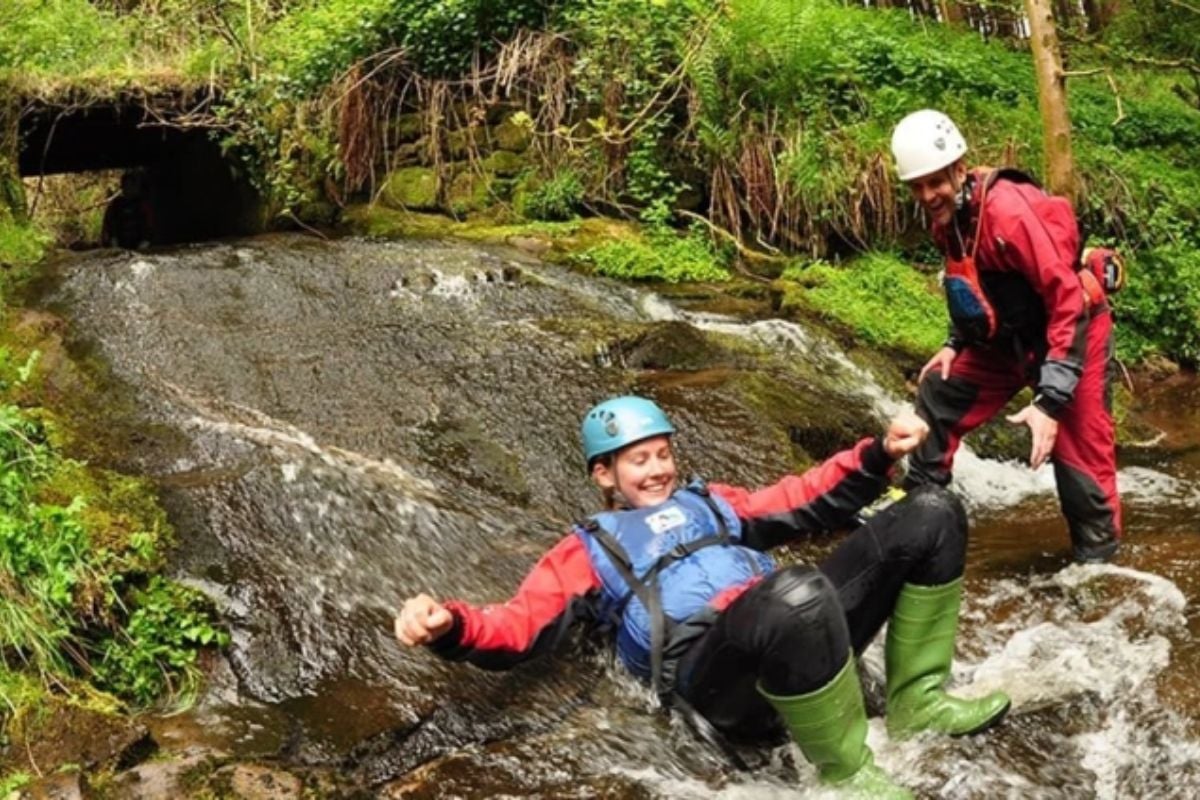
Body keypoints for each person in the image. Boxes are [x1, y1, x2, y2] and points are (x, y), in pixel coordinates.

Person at [396, 395, 1010, 797]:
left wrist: (876, 454)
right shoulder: (587, 549)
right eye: (638, 460)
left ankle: (918, 701)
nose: (657, 469)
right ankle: (847, 776)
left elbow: (801, 498)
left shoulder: (711, 502)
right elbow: (519, 625)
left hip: (793, 631)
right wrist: (449, 624)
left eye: (663, 454)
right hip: (716, 681)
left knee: (933, 511)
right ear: (604, 475)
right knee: (796, 592)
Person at [890, 109, 1121, 564]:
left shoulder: (1008, 213)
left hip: (1072, 332)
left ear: (959, 169)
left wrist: (1050, 403)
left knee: (1081, 464)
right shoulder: (948, 220)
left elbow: (1066, 299)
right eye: (917, 186)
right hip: (1006, 343)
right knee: (938, 392)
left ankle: (1099, 566)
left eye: (935, 182)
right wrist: (955, 342)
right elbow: (970, 285)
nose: (928, 195)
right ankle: (917, 512)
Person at [101, 170, 154, 249]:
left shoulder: (142, 205)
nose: (128, 189)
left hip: (139, 244)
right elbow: (108, 224)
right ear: (122, 187)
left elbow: (149, 226)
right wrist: (112, 240)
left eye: (130, 185)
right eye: (126, 186)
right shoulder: (116, 204)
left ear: (135, 187)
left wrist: (145, 241)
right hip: (118, 244)